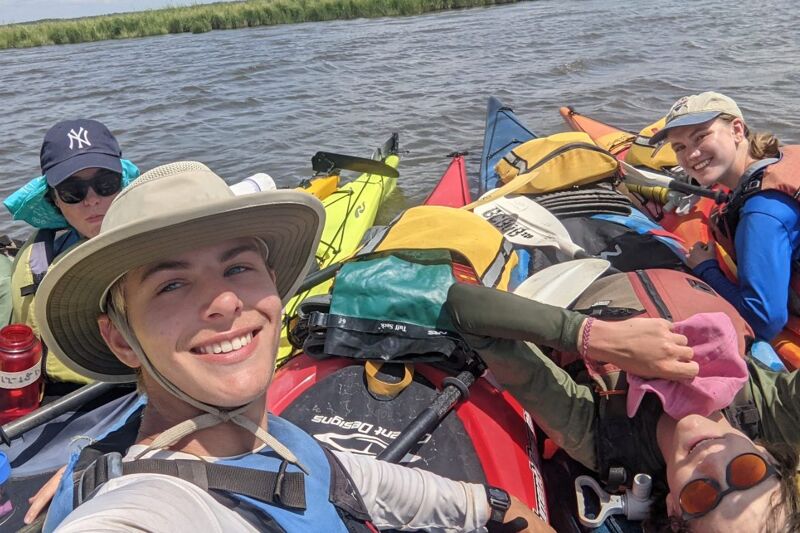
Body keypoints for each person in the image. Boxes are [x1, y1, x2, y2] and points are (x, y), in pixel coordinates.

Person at [34, 161, 553, 533]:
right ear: (122, 339)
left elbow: (483, 507)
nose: (225, 301)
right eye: (171, 285)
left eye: (238, 268)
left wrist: (499, 509)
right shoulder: (145, 507)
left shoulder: (287, 448)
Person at [445, 282, 800, 532]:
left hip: (593, 283)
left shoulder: (598, 435)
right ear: (768, 455)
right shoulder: (780, 408)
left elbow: (465, 308)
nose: (712, 463)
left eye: (702, 496)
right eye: (747, 473)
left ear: (675, 507)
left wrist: (596, 337)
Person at [648, 92, 800, 352]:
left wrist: (706, 269)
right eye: (679, 147)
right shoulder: (782, 158)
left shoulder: (762, 215)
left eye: (701, 136)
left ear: (737, 130)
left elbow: (763, 321)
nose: (692, 154)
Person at [3, 119, 139, 385]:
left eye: (106, 184)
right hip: (60, 396)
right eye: (72, 191)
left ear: (123, 184)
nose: (91, 199)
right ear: (54, 200)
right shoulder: (37, 253)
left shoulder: (158, 241)